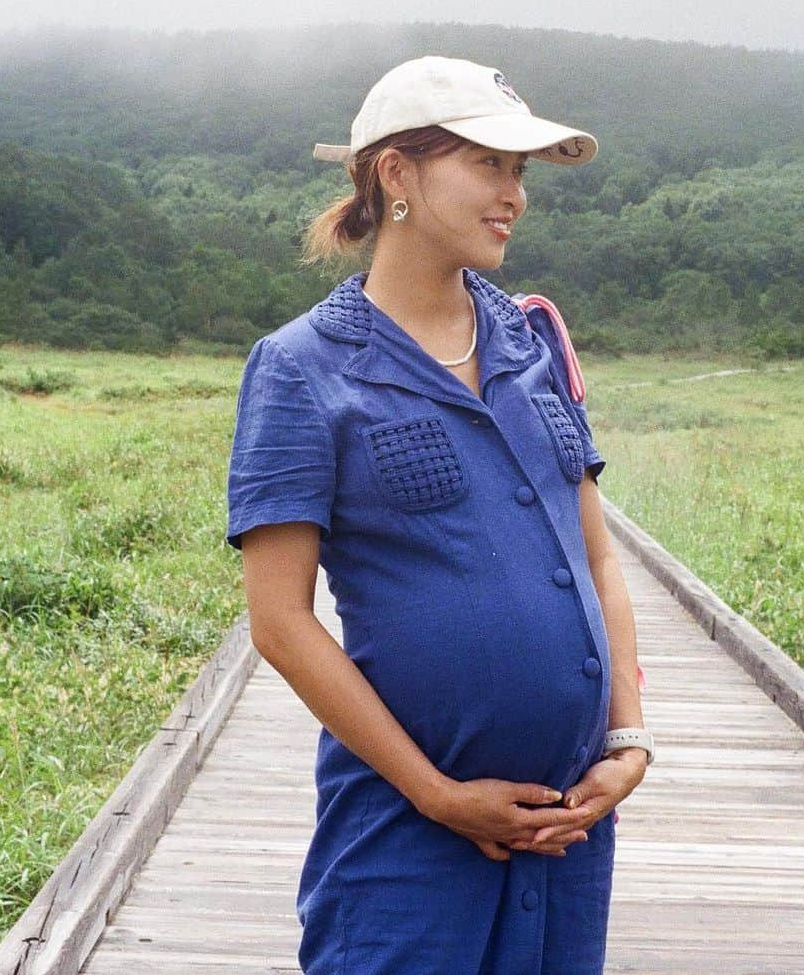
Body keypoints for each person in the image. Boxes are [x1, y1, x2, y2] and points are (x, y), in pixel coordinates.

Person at [227, 56, 653, 974]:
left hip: (569, 834)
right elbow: (281, 621)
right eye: (488, 165)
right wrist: (434, 793)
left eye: (520, 173)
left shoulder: (532, 338)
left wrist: (627, 740)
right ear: (397, 175)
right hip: (406, 839)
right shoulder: (302, 369)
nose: (515, 196)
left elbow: (598, 559)